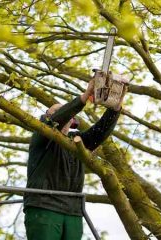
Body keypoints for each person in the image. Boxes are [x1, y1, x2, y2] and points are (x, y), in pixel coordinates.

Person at [24, 77, 128, 240]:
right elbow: (58, 119)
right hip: (43, 207)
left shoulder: (77, 141)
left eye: (67, 114)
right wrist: (86, 95)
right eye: (58, 112)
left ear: (72, 122)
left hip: (72, 210)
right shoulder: (41, 134)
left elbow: (100, 132)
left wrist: (116, 106)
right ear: (48, 116)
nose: (63, 116)